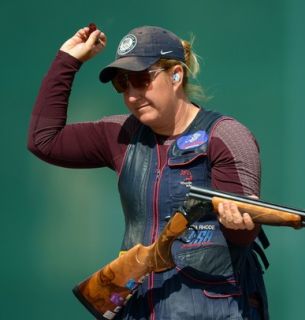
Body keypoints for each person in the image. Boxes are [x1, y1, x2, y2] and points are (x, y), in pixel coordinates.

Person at [28, 25, 269, 320]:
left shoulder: (227, 136)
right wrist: (68, 59)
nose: (131, 95)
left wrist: (241, 223)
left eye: (142, 80)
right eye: (122, 84)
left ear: (176, 75)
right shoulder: (122, 133)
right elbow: (44, 141)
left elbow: (241, 237)